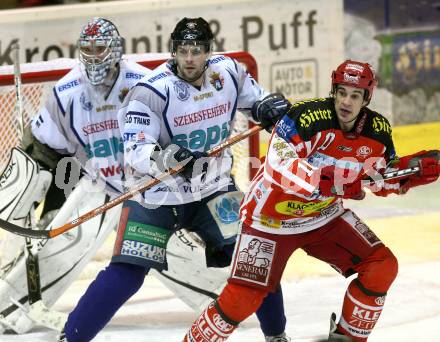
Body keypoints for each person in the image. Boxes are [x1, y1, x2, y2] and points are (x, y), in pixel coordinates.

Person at [61, 17, 292, 342]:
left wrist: (268, 109)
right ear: (173, 52)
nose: (188, 59)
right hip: (157, 197)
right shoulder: (151, 91)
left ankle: (277, 336)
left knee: (255, 256)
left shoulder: (228, 72)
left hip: (213, 190)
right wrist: (167, 157)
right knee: (128, 272)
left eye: (196, 51)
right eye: (182, 51)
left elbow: (255, 102)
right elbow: (137, 148)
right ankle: (70, 338)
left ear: (208, 52)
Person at [184, 59, 440, 341]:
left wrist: (409, 174)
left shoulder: (377, 131)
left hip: (323, 218)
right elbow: (277, 165)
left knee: (382, 266)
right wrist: (323, 180)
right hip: (269, 219)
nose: (346, 101)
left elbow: (378, 178)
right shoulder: (305, 117)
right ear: (334, 91)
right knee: (242, 298)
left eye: (355, 95)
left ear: (367, 98)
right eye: (342, 92)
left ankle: (345, 338)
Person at [0, 17, 149, 333]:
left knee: (201, 268)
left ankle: (234, 292)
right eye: (87, 48)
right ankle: (8, 308)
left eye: (100, 47)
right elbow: (44, 149)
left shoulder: (146, 84)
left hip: (148, 189)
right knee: (62, 243)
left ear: (116, 49)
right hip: (98, 186)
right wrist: (37, 190)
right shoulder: (67, 91)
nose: (93, 55)